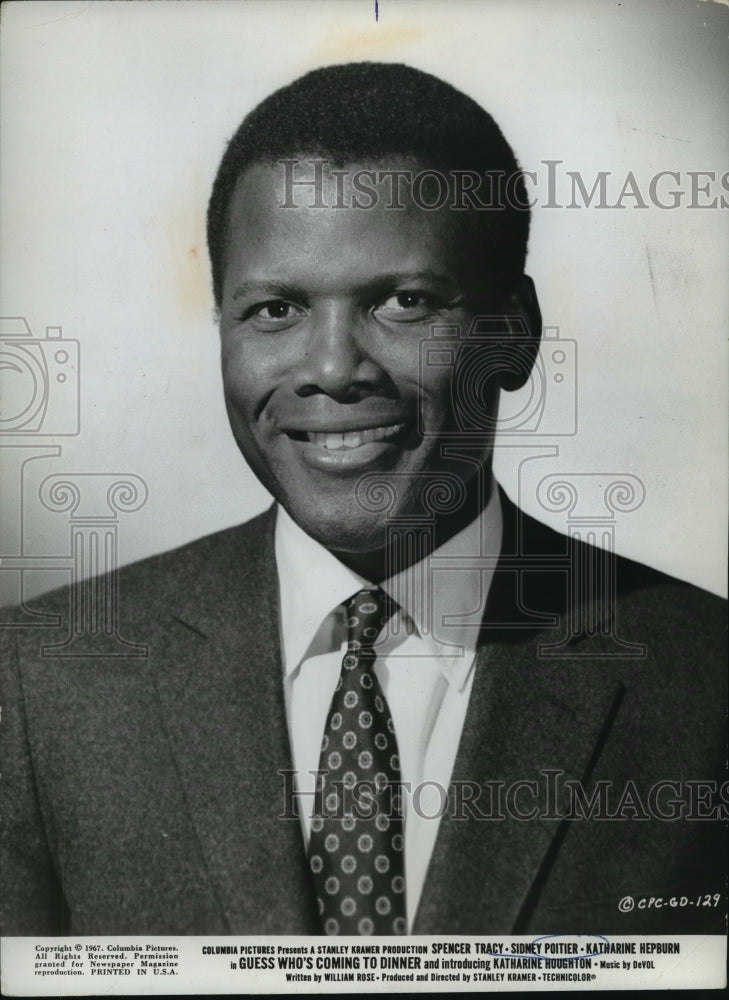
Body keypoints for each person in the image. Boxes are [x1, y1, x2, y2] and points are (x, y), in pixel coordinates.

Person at [1, 62, 725, 937]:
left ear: (516, 333)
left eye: (405, 302)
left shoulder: (703, 683)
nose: (334, 368)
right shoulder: (40, 686)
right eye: (274, 310)